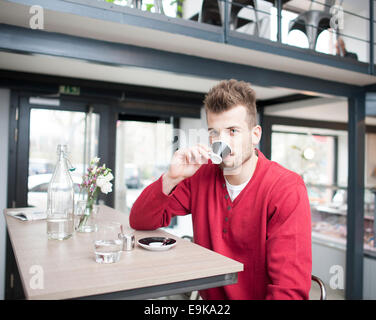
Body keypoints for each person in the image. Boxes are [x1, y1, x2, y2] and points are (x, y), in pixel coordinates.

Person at [129, 79, 312, 300]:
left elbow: (288, 291)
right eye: (214, 133)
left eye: (232, 131)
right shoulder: (201, 175)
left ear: (255, 134)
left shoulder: (286, 188)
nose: (221, 141)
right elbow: (140, 221)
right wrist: (171, 178)